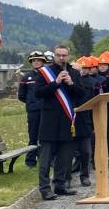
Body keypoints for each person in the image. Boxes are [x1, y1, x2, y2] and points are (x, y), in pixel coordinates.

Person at [34, 45, 86, 200]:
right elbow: (38, 93)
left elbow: (81, 95)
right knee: (46, 158)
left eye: (64, 55)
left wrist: (71, 84)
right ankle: (44, 188)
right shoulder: (44, 72)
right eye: (58, 55)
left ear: (68, 56)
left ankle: (60, 185)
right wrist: (55, 83)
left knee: (65, 156)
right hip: (49, 121)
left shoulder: (74, 73)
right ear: (54, 56)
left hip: (67, 121)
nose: (61, 58)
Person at [71, 56, 101, 188]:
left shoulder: (93, 83)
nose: (82, 71)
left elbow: (96, 102)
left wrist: (95, 123)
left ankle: (85, 176)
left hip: (86, 119)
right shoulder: (70, 81)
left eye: (86, 68)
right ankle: (66, 178)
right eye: (80, 69)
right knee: (69, 151)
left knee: (86, 151)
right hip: (71, 118)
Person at [18, 51, 47, 167]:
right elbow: (21, 95)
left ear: (43, 62)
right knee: (33, 135)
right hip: (33, 111)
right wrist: (31, 102)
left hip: (46, 110)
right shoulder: (26, 77)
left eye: (39, 60)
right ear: (31, 63)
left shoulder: (47, 75)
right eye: (34, 61)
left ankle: (44, 159)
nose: (36, 62)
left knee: (44, 135)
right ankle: (30, 161)